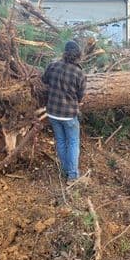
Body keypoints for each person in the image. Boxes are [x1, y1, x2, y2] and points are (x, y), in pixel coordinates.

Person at [42, 40, 86, 182]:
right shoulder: (79, 73)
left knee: (61, 141)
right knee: (73, 142)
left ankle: (65, 170)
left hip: (53, 112)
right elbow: (80, 95)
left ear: (64, 52)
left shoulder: (53, 65)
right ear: (78, 54)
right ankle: (72, 175)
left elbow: (44, 80)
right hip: (69, 115)